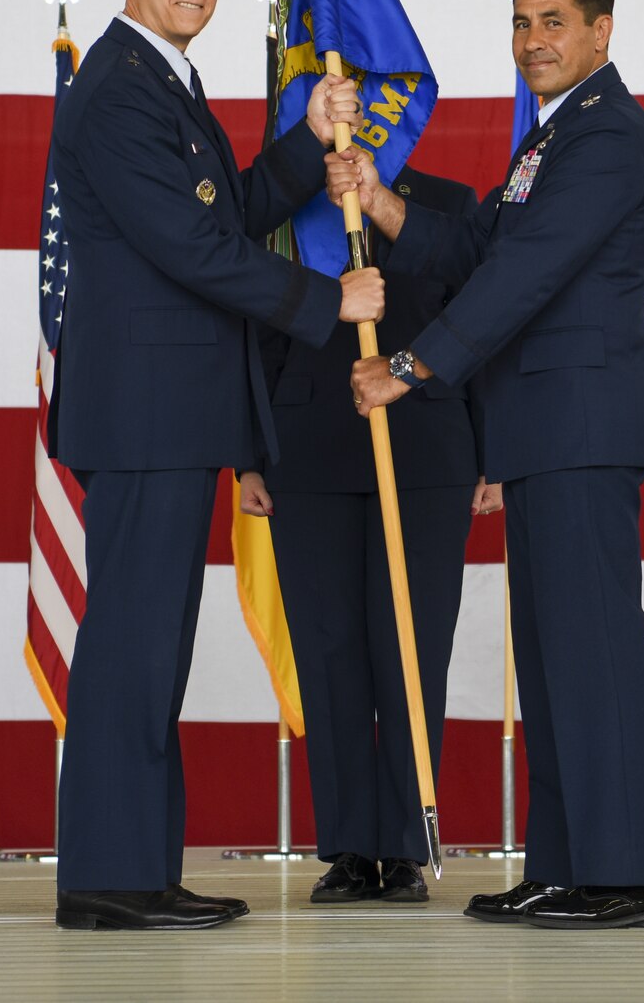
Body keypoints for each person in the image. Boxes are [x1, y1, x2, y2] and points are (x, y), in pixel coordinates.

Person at [327, 0, 644, 930]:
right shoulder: (550, 140)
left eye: (554, 22)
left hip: (579, 425)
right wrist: (382, 196)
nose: (533, 40)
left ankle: (629, 873)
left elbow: (518, 277)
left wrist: (407, 369)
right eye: (521, 22)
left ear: (601, 32)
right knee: (556, 657)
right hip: (541, 429)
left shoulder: (607, 136)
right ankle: (570, 864)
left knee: (594, 652)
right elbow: (477, 245)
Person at [45, 0, 384, 931]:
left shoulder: (164, 80)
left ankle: (137, 868)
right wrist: (330, 304)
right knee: (132, 649)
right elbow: (189, 251)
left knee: (151, 649)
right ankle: (110, 876)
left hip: (169, 415)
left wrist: (305, 144)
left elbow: (220, 216)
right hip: (145, 414)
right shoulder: (116, 87)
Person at [238, 165, 495, 906]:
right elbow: (258, 333)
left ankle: (406, 843)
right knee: (330, 653)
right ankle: (351, 846)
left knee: (410, 649)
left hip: (427, 454)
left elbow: (480, 327)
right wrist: (250, 456)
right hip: (308, 451)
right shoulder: (291, 209)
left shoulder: (447, 205)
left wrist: (494, 453)